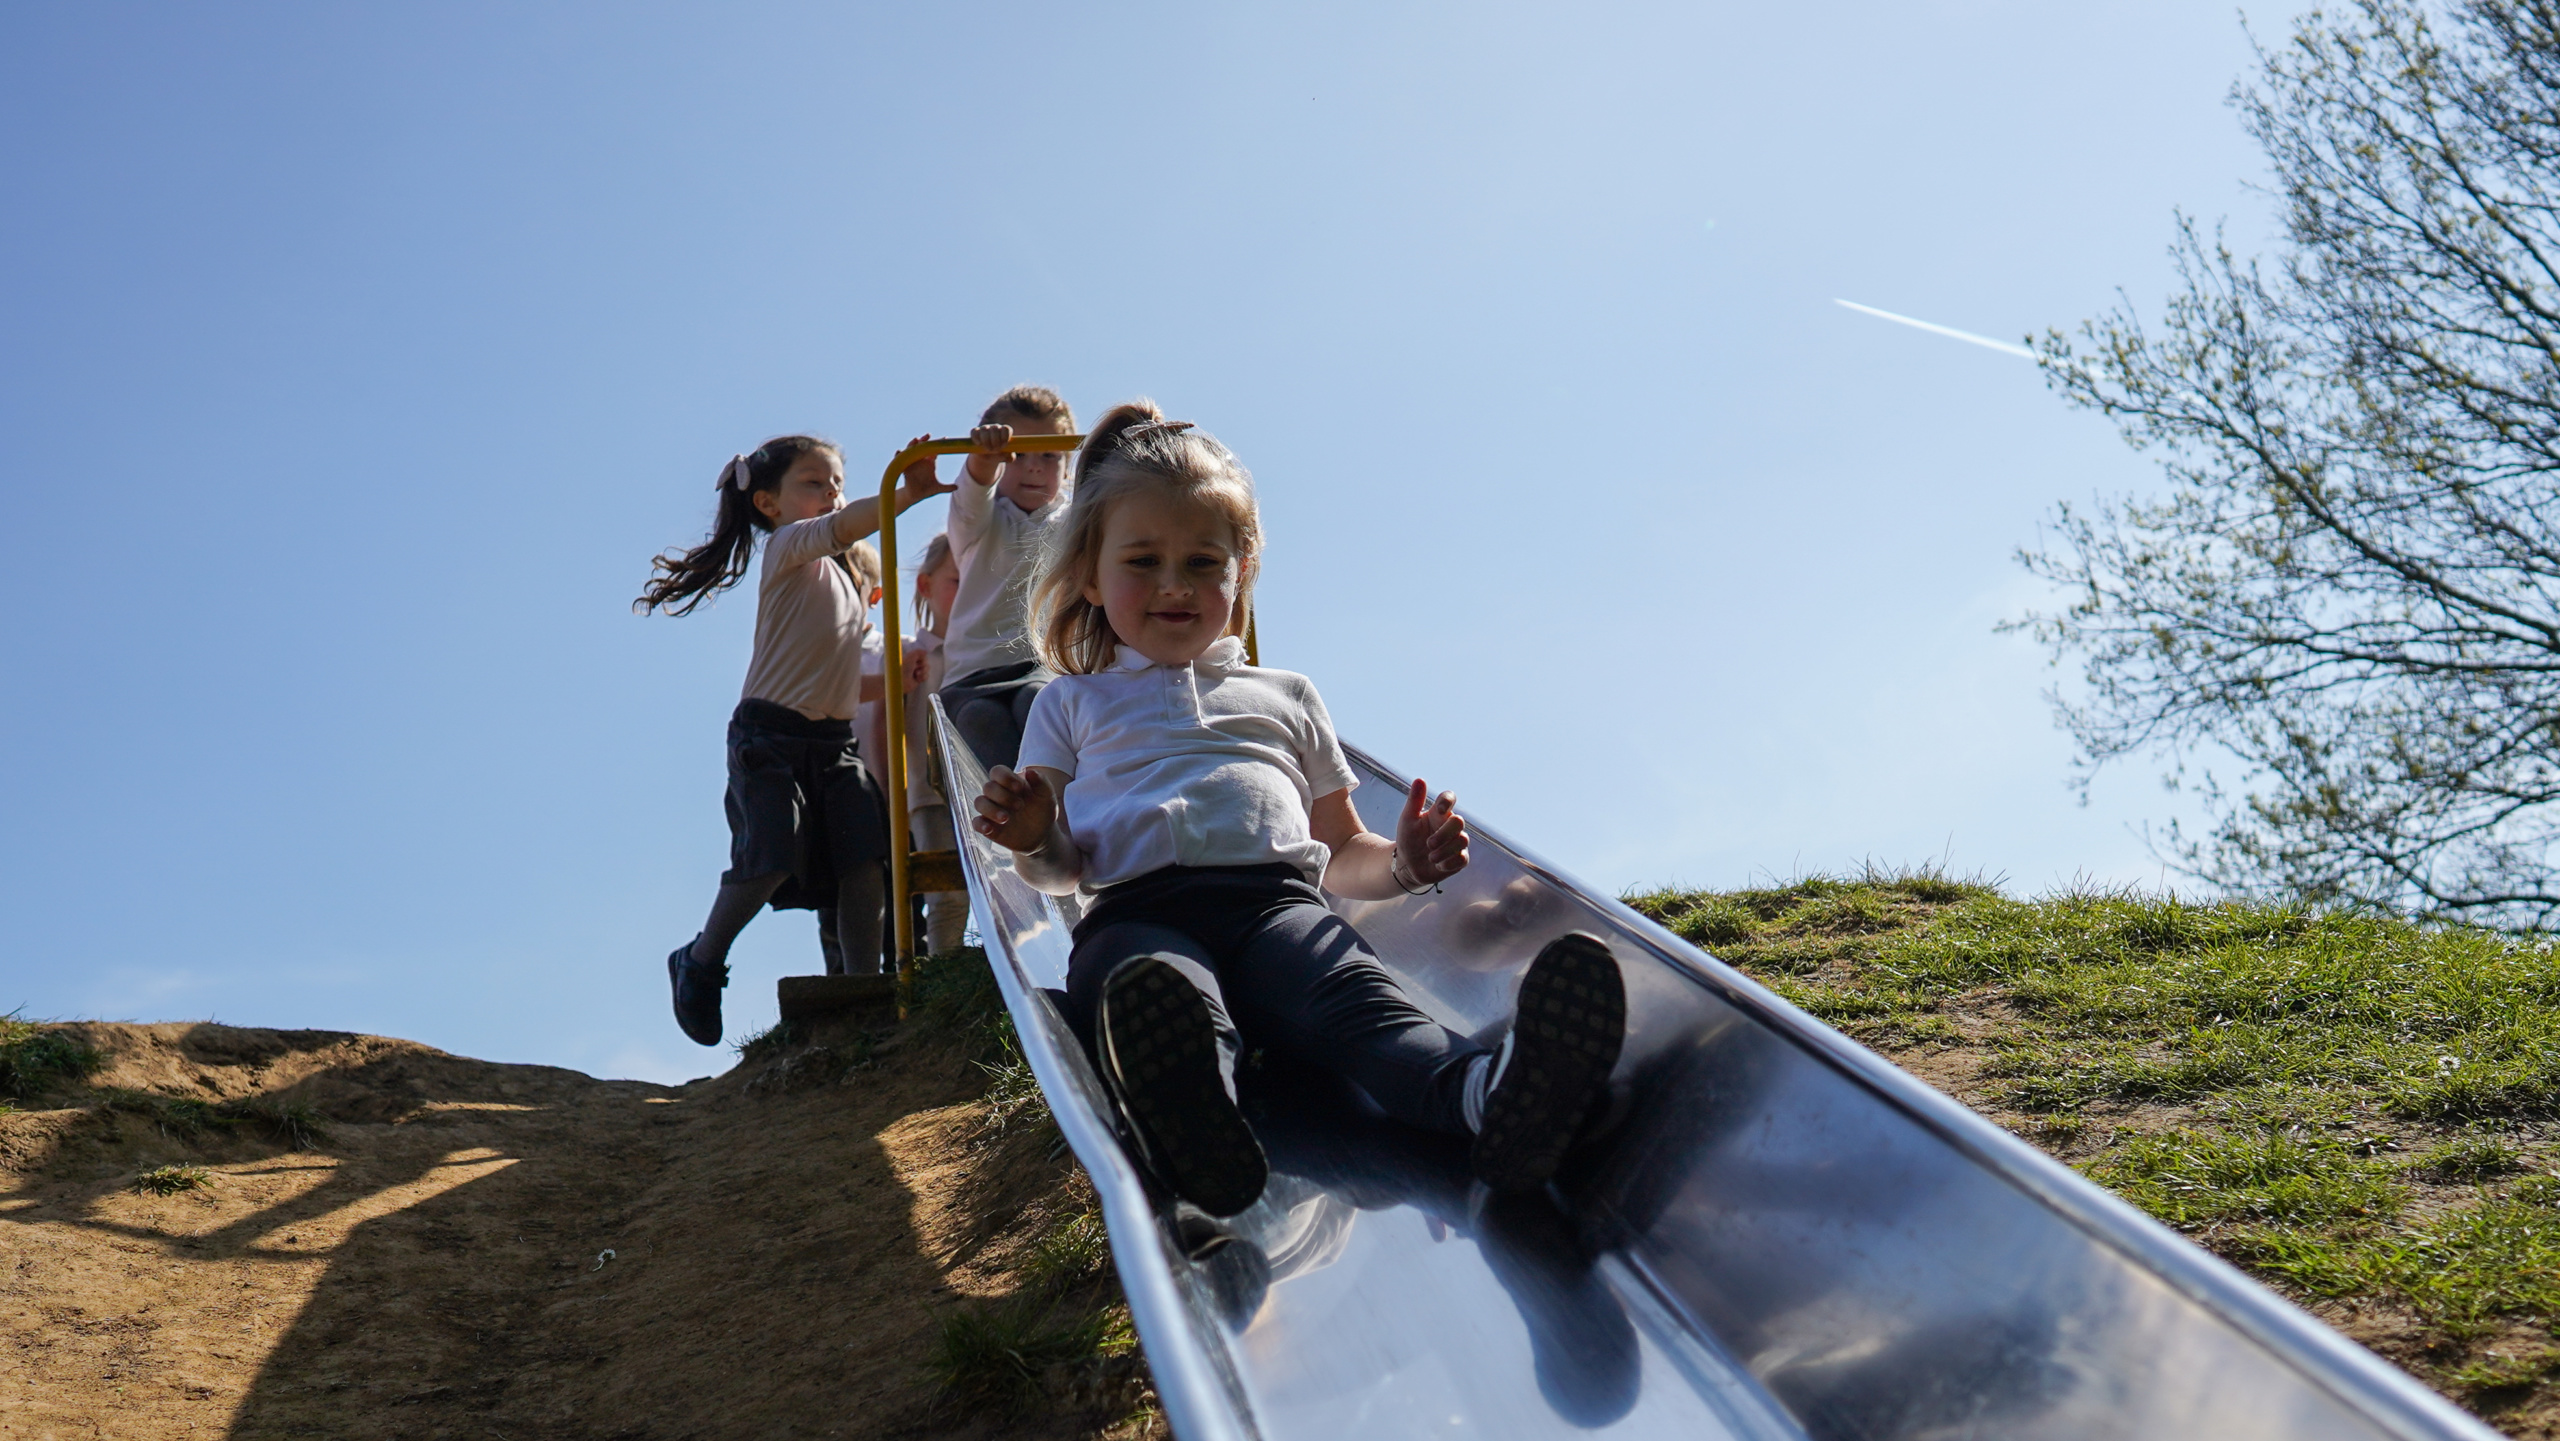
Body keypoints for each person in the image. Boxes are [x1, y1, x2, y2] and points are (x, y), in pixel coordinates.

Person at [971, 401, 1626, 1216]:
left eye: (1203, 562)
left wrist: (1404, 865)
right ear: (1090, 578)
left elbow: (1342, 850)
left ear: (1240, 572)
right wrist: (1036, 837)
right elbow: (1063, 872)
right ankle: (1196, 1122)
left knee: (1363, 1005)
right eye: (1143, 560)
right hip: (1135, 914)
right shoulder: (1069, 704)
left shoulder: (1285, 696)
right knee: (1152, 991)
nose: (1175, 584)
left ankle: (1490, 1098)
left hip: (1277, 910)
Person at [637, 435, 953, 1045]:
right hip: (771, 735)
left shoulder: (841, 578)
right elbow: (839, 529)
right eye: (814, 482)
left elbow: (832, 678)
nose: (831, 492)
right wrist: (906, 495)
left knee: (866, 859)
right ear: (768, 503)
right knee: (770, 859)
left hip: (832, 741)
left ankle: (865, 987)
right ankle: (700, 960)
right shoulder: (789, 548)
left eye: (836, 481)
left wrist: (887, 682)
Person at [940, 385, 1076, 769]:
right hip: (974, 673)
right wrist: (984, 456)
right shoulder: (979, 521)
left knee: (1039, 702)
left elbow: (1112, 491)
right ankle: (998, 826)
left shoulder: (1071, 522)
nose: (1034, 466)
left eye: (1049, 456)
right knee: (978, 721)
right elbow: (974, 489)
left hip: (1042, 664)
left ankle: (1054, 819)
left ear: (1067, 467)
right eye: (1018, 455)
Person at [899, 533, 971, 955]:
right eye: (956, 581)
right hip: (928, 792)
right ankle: (942, 974)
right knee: (946, 896)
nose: (967, 592)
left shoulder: (983, 652)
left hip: (977, 785)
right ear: (926, 587)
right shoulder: (914, 656)